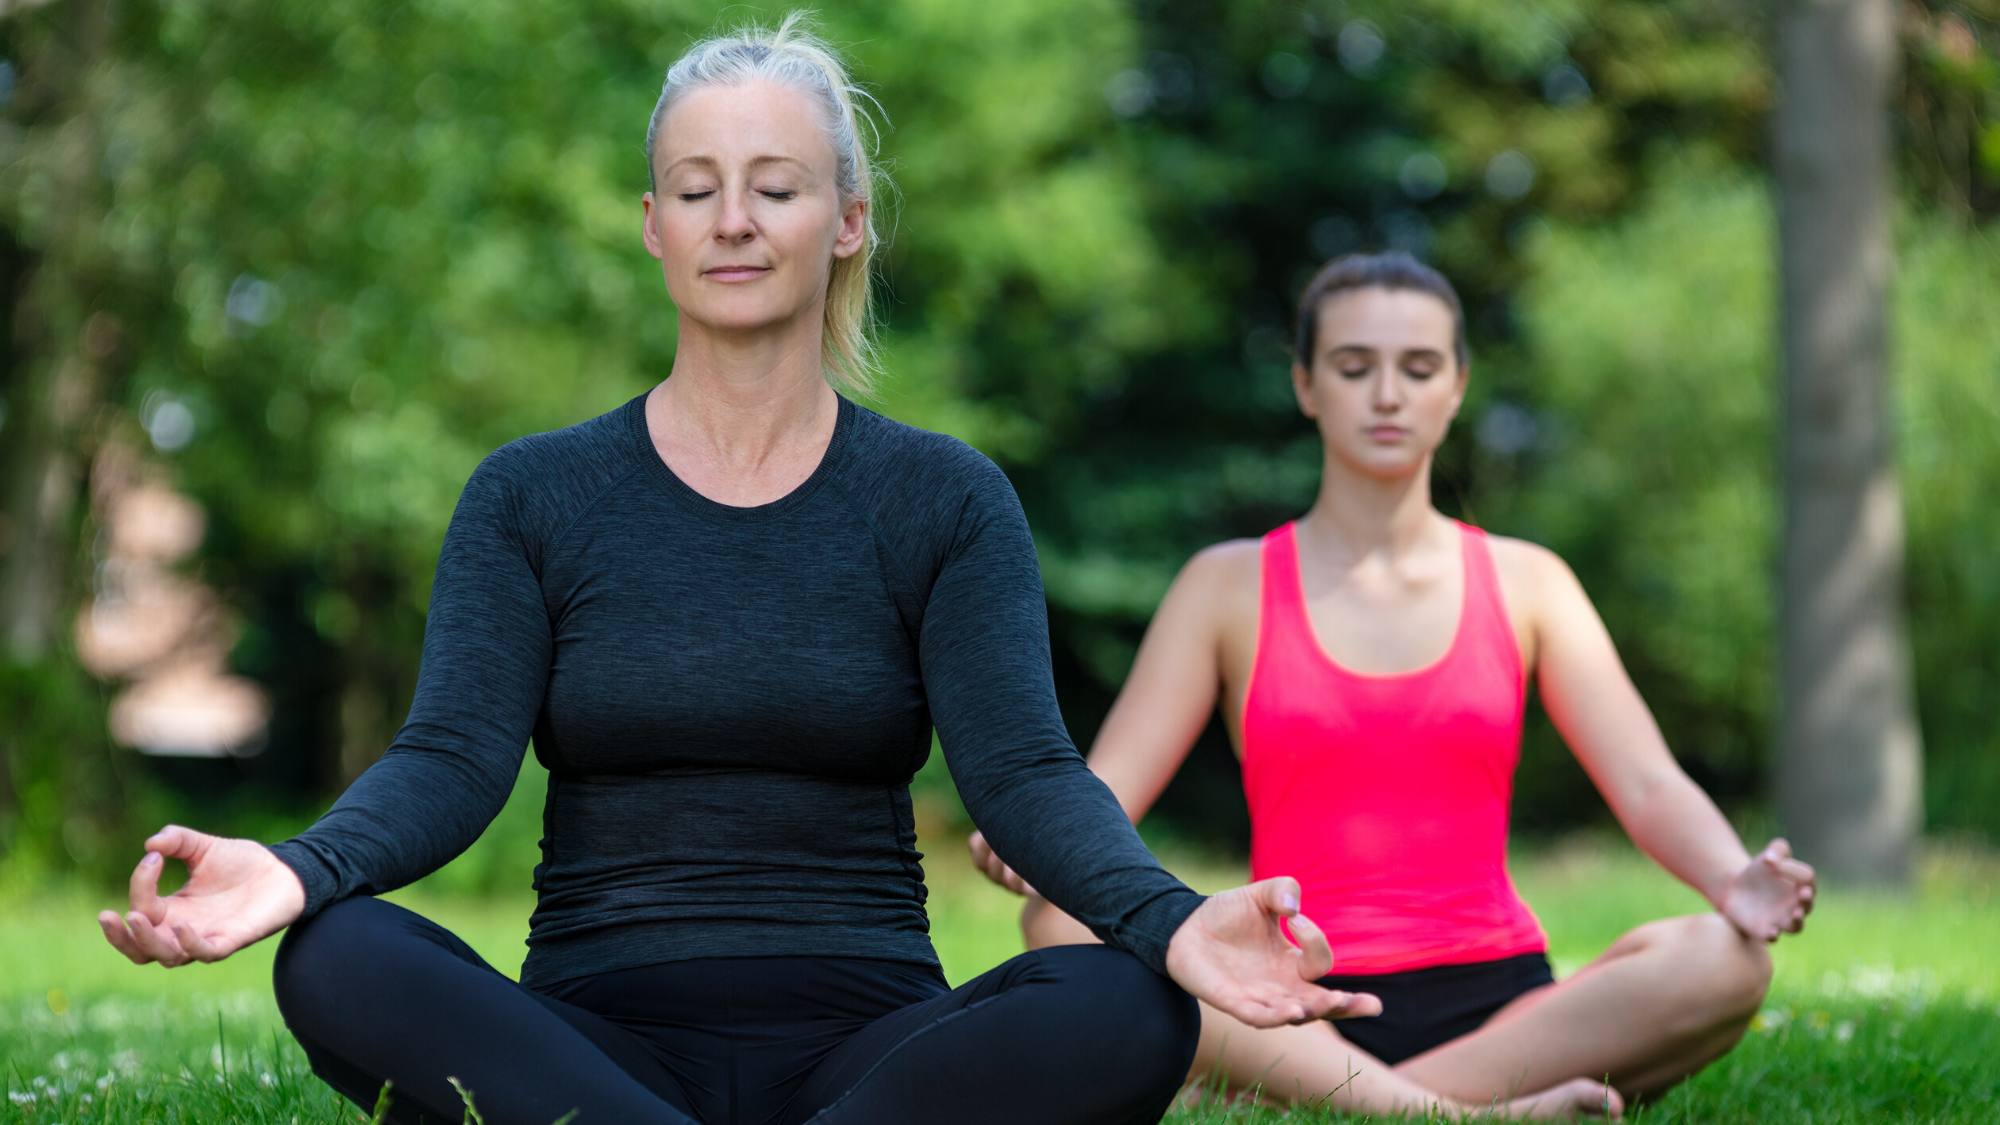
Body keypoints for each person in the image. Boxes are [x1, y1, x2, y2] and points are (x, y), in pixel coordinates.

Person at [94, 19, 1382, 1125]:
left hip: (871, 1048)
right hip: (590, 1045)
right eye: (696, 187)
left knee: (1122, 1002)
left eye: (775, 186)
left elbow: (1026, 774)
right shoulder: (532, 494)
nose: (733, 220)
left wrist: (1166, 920)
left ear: (848, 220)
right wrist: (300, 868)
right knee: (336, 957)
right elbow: (450, 760)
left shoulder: (944, 500)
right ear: (652, 226)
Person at [969, 251, 1818, 1120]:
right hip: (1285, 992)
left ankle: (1338, 1103)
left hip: (1503, 1004)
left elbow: (1647, 781)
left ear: (1456, 387)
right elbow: (1106, 794)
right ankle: (1451, 1115)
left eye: (1418, 368)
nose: (1387, 394)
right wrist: (1036, 837)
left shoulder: (1530, 582)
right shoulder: (1223, 586)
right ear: (1306, 385)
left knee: (1729, 957)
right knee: (1059, 921)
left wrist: (1731, 876)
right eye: (1353, 366)